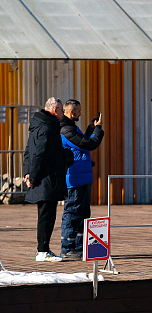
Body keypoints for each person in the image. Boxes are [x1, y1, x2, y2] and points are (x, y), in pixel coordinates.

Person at [23, 97, 72, 262]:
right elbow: (39, 154)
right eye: (60, 109)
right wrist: (34, 177)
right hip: (46, 180)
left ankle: (43, 250)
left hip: (42, 178)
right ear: (53, 110)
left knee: (45, 215)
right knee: (47, 216)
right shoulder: (48, 127)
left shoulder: (38, 125)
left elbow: (29, 151)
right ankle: (42, 251)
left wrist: (27, 173)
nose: (62, 112)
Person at [59, 99, 104, 260]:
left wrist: (90, 128)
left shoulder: (72, 128)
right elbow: (88, 144)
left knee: (83, 213)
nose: (80, 114)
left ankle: (78, 246)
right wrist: (98, 129)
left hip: (82, 178)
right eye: (78, 111)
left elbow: (81, 143)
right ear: (71, 112)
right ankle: (67, 248)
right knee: (72, 213)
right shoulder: (66, 129)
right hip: (74, 179)